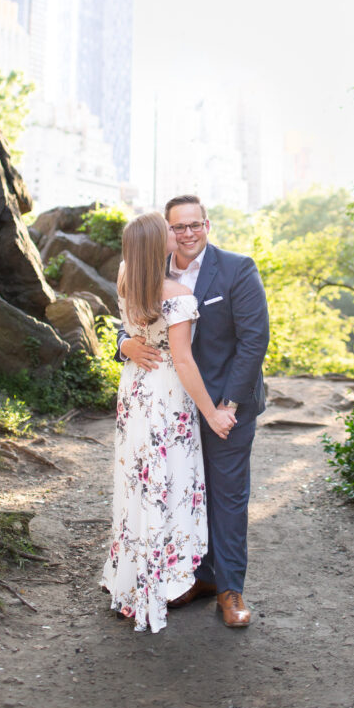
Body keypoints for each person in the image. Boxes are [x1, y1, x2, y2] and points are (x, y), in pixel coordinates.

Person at [117, 195, 269, 627]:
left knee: (226, 498)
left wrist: (229, 405)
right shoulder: (152, 265)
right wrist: (123, 344)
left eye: (193, 225)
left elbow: (254, 342)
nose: (186, 234)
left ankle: (230, 590)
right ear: (167, 229)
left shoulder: (238, 269)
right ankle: (193, 577)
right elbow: (126, 317)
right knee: (180, 494)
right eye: (177, 227)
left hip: (224, 405)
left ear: (207, 224)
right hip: (169, 410)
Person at [101, 211, 236, 633]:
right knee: (166, 483)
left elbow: (129, 325)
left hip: (135, 391)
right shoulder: (176, 295)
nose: (178, 235)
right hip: (165, 395)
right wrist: (212, 413)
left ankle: (137, 580)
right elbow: (182, 360)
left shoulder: (126, 276)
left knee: (140, 481)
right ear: (161, 244)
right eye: (169, 232)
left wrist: (126, 343)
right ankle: (158, 582)